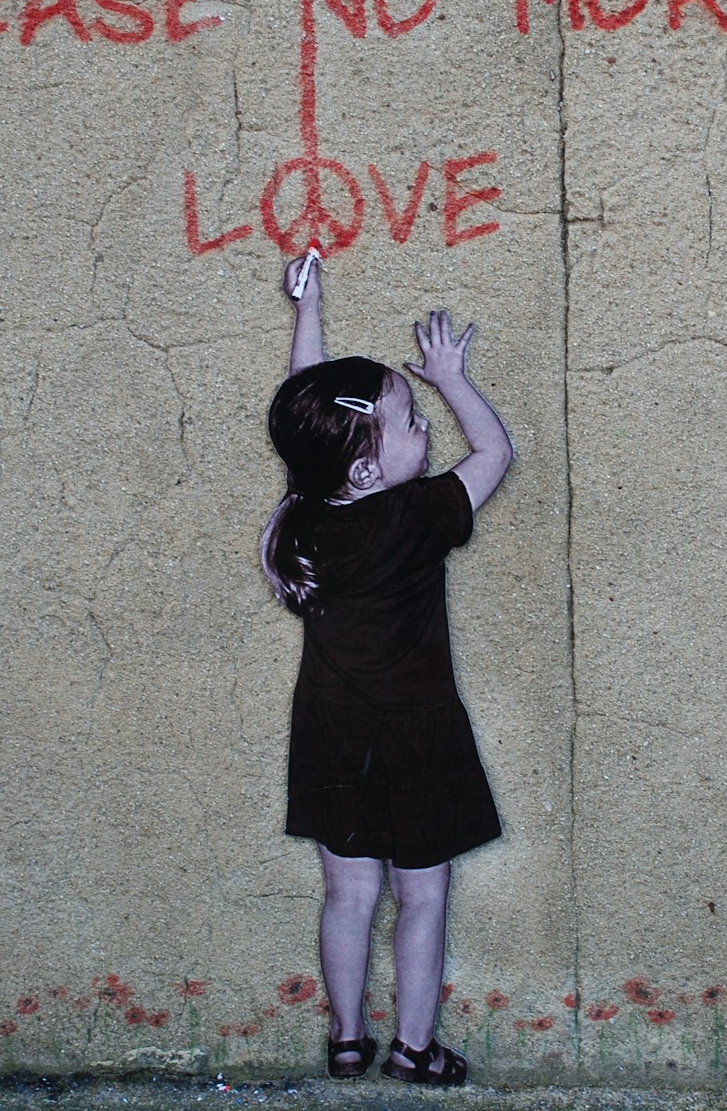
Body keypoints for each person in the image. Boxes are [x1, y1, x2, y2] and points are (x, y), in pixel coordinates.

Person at [261, 251, 514, 1086]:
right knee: (423, 896)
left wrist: (309, 308)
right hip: (416, 736)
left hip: (332, 735)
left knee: (348, 896)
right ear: (368, 468)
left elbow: (312, 415)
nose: (426, 431)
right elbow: (495, 450)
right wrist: (449, 377)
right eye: (412, 425)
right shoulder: (415, 514)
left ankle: (344, 1037)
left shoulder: (304, 521)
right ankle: (412, 1047)